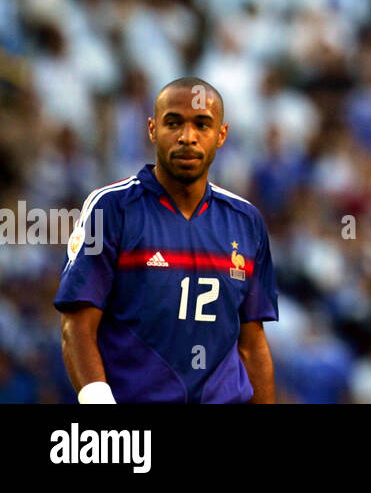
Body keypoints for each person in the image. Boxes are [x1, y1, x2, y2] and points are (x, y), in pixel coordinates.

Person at [54, 77, 278, 403]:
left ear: (221, 135)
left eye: (202, 125)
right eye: (174, 123)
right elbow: (76, 326)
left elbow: (252, 342)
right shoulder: (110, 209)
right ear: (152, 129)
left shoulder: (247, 222)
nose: (187, 137)